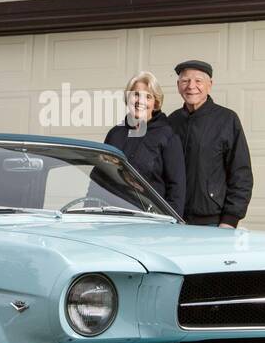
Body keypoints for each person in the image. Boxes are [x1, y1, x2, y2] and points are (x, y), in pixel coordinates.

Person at [167, 60, 252, 227]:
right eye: (185, 81)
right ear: (178, 85)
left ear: (209, 85)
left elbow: (241, 174)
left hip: (213, 222)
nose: (191, 86)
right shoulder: (171, 122)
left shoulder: (227, 120)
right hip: (174, 221)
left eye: (198, 81)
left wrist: (230, 220)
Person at [103, 71, 186, 216]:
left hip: (150, 222)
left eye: (148, 97)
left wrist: (172, 223)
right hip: (113, 218)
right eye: (136, 94)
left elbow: (177, 189)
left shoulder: (167, 136)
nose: (140, 101)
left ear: (155, 103)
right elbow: (99, 177)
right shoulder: (114, 134)